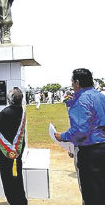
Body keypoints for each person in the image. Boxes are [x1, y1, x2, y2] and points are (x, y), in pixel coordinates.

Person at [55, 68, 105, 205]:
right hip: (102, 148)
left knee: (91, 194)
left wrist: (62, 136)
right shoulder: (101, 97)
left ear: (77, 82)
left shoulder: (81, 99)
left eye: (72, 82)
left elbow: (80, 131)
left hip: (90, 152)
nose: (72, 85)